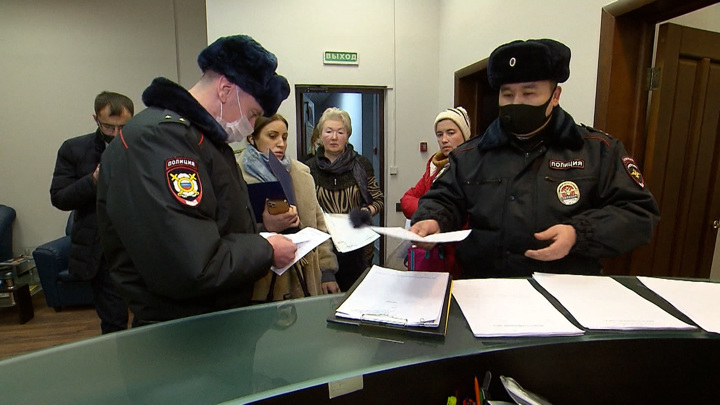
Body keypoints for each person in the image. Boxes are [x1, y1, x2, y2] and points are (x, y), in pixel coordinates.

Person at [410, 38, 660, 278]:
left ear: (555, 96)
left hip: (565, 290)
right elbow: (443, 198)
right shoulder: (470, 154)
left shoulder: (598, 151)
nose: (516, 103)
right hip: (486, 289)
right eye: (507, 95)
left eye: (529, 94)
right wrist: (433, 219)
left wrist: (578, 233)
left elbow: (638, 214)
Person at [96, 35, 297, 325]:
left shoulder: (200, 140)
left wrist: (263, 230)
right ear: (226, 89)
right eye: (253, 114)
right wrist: (267, 250)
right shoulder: (162, 140)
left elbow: (210, 225)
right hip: (183, 329)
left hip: (212, 320)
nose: (251, 126)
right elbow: (192, 265)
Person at [50, 91, 133, 333]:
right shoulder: (74, 149)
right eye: (109, 127)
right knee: (113, 322)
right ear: (96, 119)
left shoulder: (144, 145)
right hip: (101, 250)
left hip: (140, 244)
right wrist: (93, 180)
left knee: (151, 317)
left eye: (123, 127)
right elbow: (60, 197)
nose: (116, 134)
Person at [237, 114, 340, 301]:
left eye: (284, 137)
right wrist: (265, 227)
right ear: (252, 138)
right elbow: (229, 235)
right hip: (262, 280)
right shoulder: (236, 175)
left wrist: (327, 272)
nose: (281, 143)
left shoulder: (301, 174)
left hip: (305, 277)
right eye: (272, 136)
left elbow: (319, 225)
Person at [305, 107, 384, 291]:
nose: (334, 137)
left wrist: (366, 211)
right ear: (320, 134)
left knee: (358, 296)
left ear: (347, 136)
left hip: (358, 248)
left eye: (340, 132)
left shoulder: (362, 164)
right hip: (323, 248)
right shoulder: (308, 168)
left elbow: (378, 200)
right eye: (328, 131)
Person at [400, 107, 471, 279]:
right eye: (440, 134)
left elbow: (466, 215)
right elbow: (406, 199)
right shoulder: (434, 166)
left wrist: (433, 208)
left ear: (465, 134)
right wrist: (431, 210)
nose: (444, 139)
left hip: (458, 255)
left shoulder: (473, 168)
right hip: (431, 254)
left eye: (451, 133)